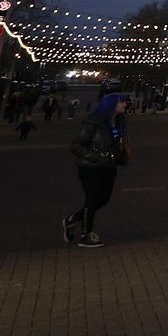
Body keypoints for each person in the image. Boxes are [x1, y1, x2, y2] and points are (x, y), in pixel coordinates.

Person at [64, 93, 129, 248]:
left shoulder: (119, 121)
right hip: (90, 167)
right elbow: (76, 146)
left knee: (104, 199)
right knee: (92, 199)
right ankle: (86, 234)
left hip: (109, 166)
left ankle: (71, 220)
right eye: (122, 102)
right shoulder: (93, 122)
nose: (125, 104)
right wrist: (96, 157)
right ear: (111, 104)